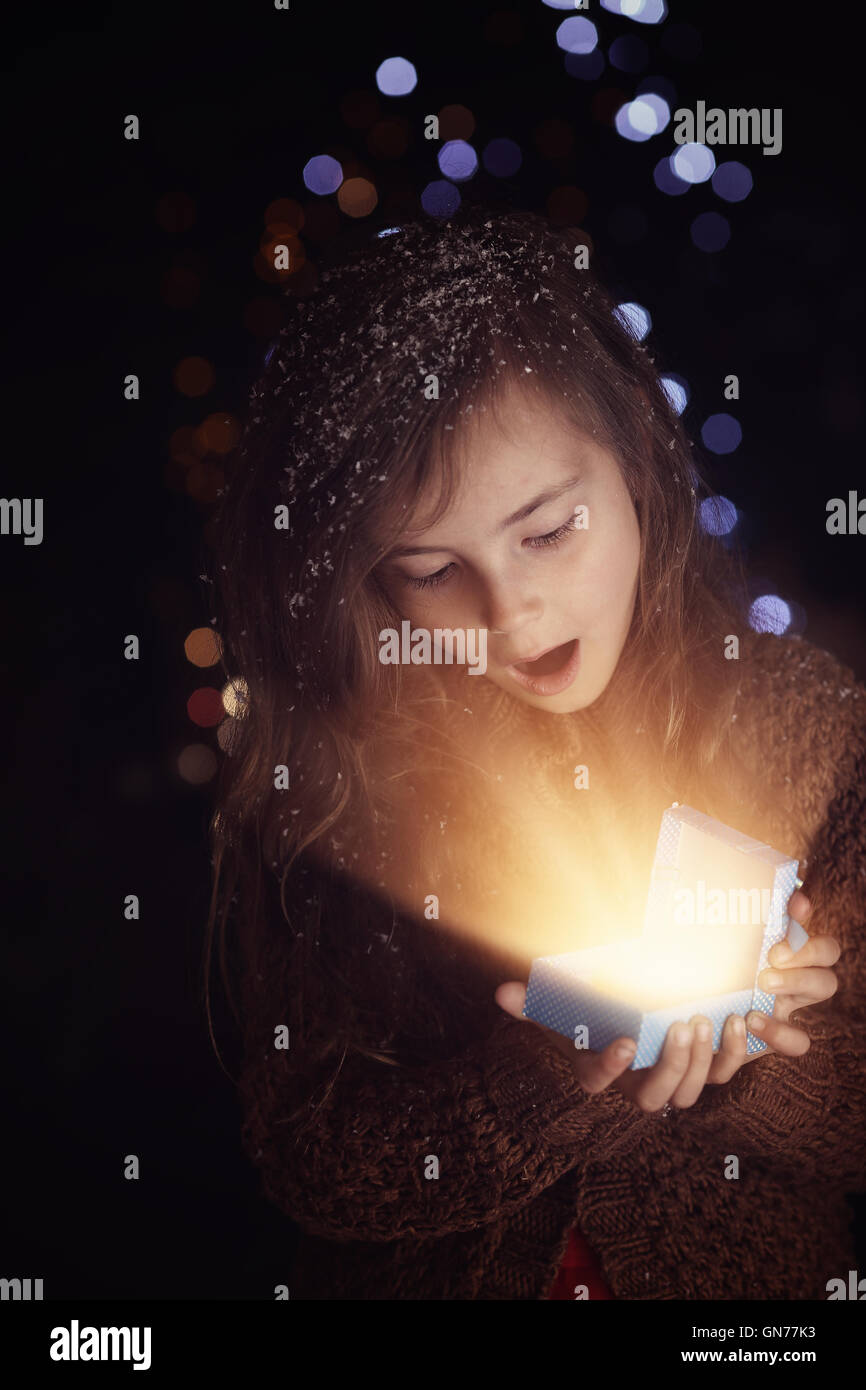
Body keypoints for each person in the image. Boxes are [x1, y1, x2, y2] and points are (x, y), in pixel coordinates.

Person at [204, 203, 866, 1299]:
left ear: (637, 471)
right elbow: (314, 1164)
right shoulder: (333, 787)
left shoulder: (806, 727)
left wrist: (754, 1062)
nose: (508, 612)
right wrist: (563, 1070)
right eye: (428, 567)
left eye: (548, 530)